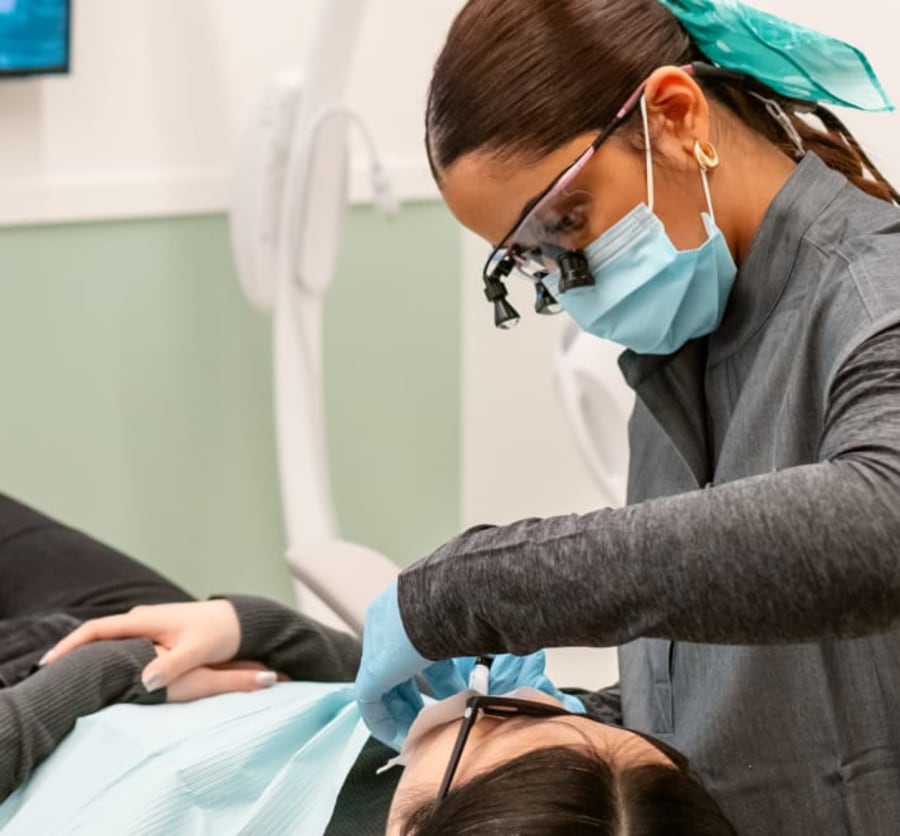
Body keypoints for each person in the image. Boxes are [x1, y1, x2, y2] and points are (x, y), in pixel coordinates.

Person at [354, 1, 900, 834]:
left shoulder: (874, 291)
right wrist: (566, 720)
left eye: (565, 223)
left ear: (676, 116)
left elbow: (881, 525)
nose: (568, 280)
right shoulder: (679, 366)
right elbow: (734, 716)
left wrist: (468, 589)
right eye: (530, 262)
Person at [0, 492, 736, 834]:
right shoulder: (569, 803)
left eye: (495, 719)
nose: (505, 694)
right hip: (181, 654)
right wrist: (257, 629)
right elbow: (361, 706)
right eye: (577, 714)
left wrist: (115, 676)